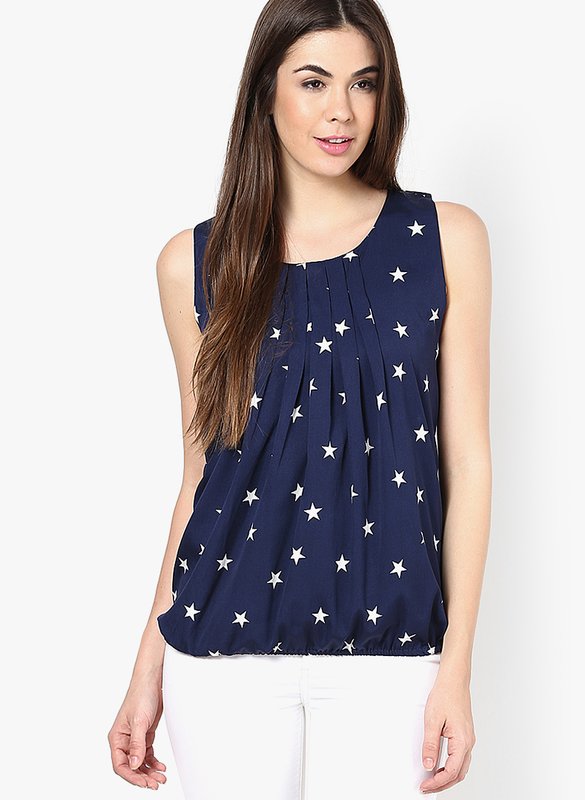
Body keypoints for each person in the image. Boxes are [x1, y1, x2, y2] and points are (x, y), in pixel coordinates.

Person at [107, 1, 492, 797]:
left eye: (363, 83)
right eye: (313, 82)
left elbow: (467, 464)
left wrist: (455, 668)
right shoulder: (193, 264)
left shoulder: (444, 239)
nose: (341, 111)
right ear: (266, 91)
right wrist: (147, 670)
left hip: (391, 653)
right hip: (220, 653)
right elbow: (200, 480)